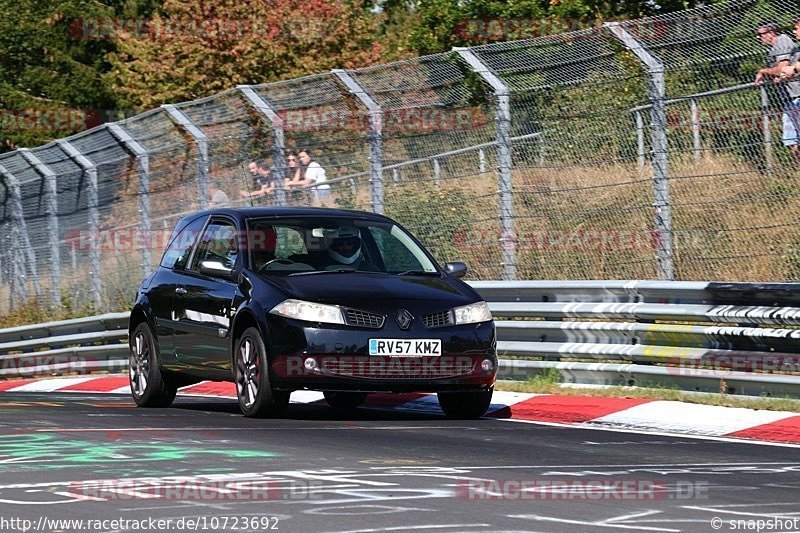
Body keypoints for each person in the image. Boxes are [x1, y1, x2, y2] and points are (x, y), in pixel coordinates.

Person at [755, 21, 800, 163]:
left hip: (797, 95)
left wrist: (763, 71)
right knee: (791, 140)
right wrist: (775, 74)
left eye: (760, 34)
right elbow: (779, 73)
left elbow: (782, 69)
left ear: (771, 33)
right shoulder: (773, 49)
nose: (758, 37)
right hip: (789, 98)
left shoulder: (782, 41)